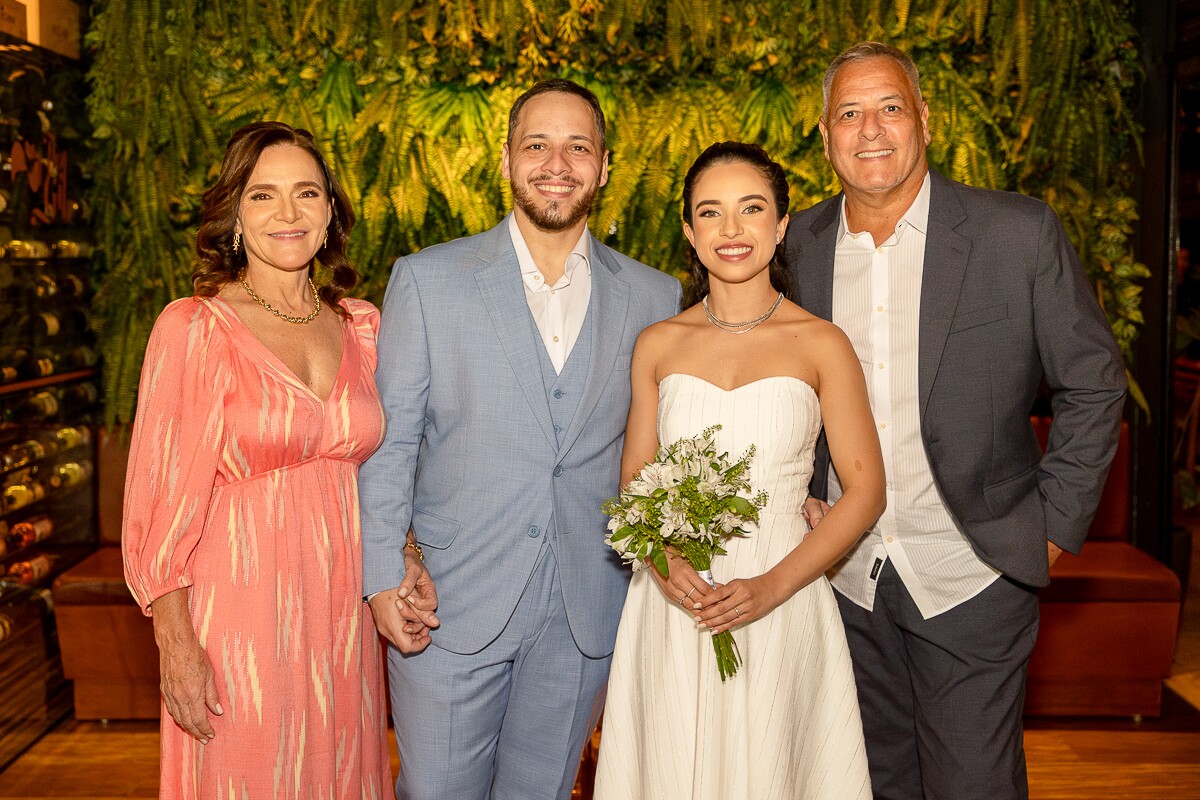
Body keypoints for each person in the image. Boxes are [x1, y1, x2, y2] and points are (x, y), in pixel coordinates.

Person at [788, 42, 1127, 800]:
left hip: (972, 576)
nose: (870, 130)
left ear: (926, 121)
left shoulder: (1017, 233)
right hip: (841, 584)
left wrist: (1050, 530)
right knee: (868, 785)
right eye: (849, 113)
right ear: (823, 135)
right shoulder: (795, 248)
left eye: (889, 108)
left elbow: (1095, 383)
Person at [359, 79, 682, 800]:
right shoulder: (427, 281)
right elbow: (391, 443)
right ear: (506, 160)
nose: (556, 163)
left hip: (583, 608)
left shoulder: (655, 298)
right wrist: (383, 573)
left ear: (604, 166)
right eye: (537, 144)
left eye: (577, 146)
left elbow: (659, 452)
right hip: (445, 604)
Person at [122, 121, 430, 800]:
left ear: (329, 214)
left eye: (306, 194)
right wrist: (177, 645)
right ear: (234, 214)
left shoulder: (364, 327)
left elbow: (391, 470)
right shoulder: (196, 329)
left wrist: (403, 554)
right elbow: (158, 500)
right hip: (235, 620)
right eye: (263, 196)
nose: (287, 214)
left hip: (343, 618)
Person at [593, 141, 886, 799]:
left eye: (751, 210)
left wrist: (773, 587)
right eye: (711, 213)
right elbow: (636, 481)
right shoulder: (658, 346)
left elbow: (865, 493)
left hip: (785, 590)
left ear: (780, 225)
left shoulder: (822, 344)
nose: (732, 230)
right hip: (677, 600)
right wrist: (667, 566)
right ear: (690, 232)